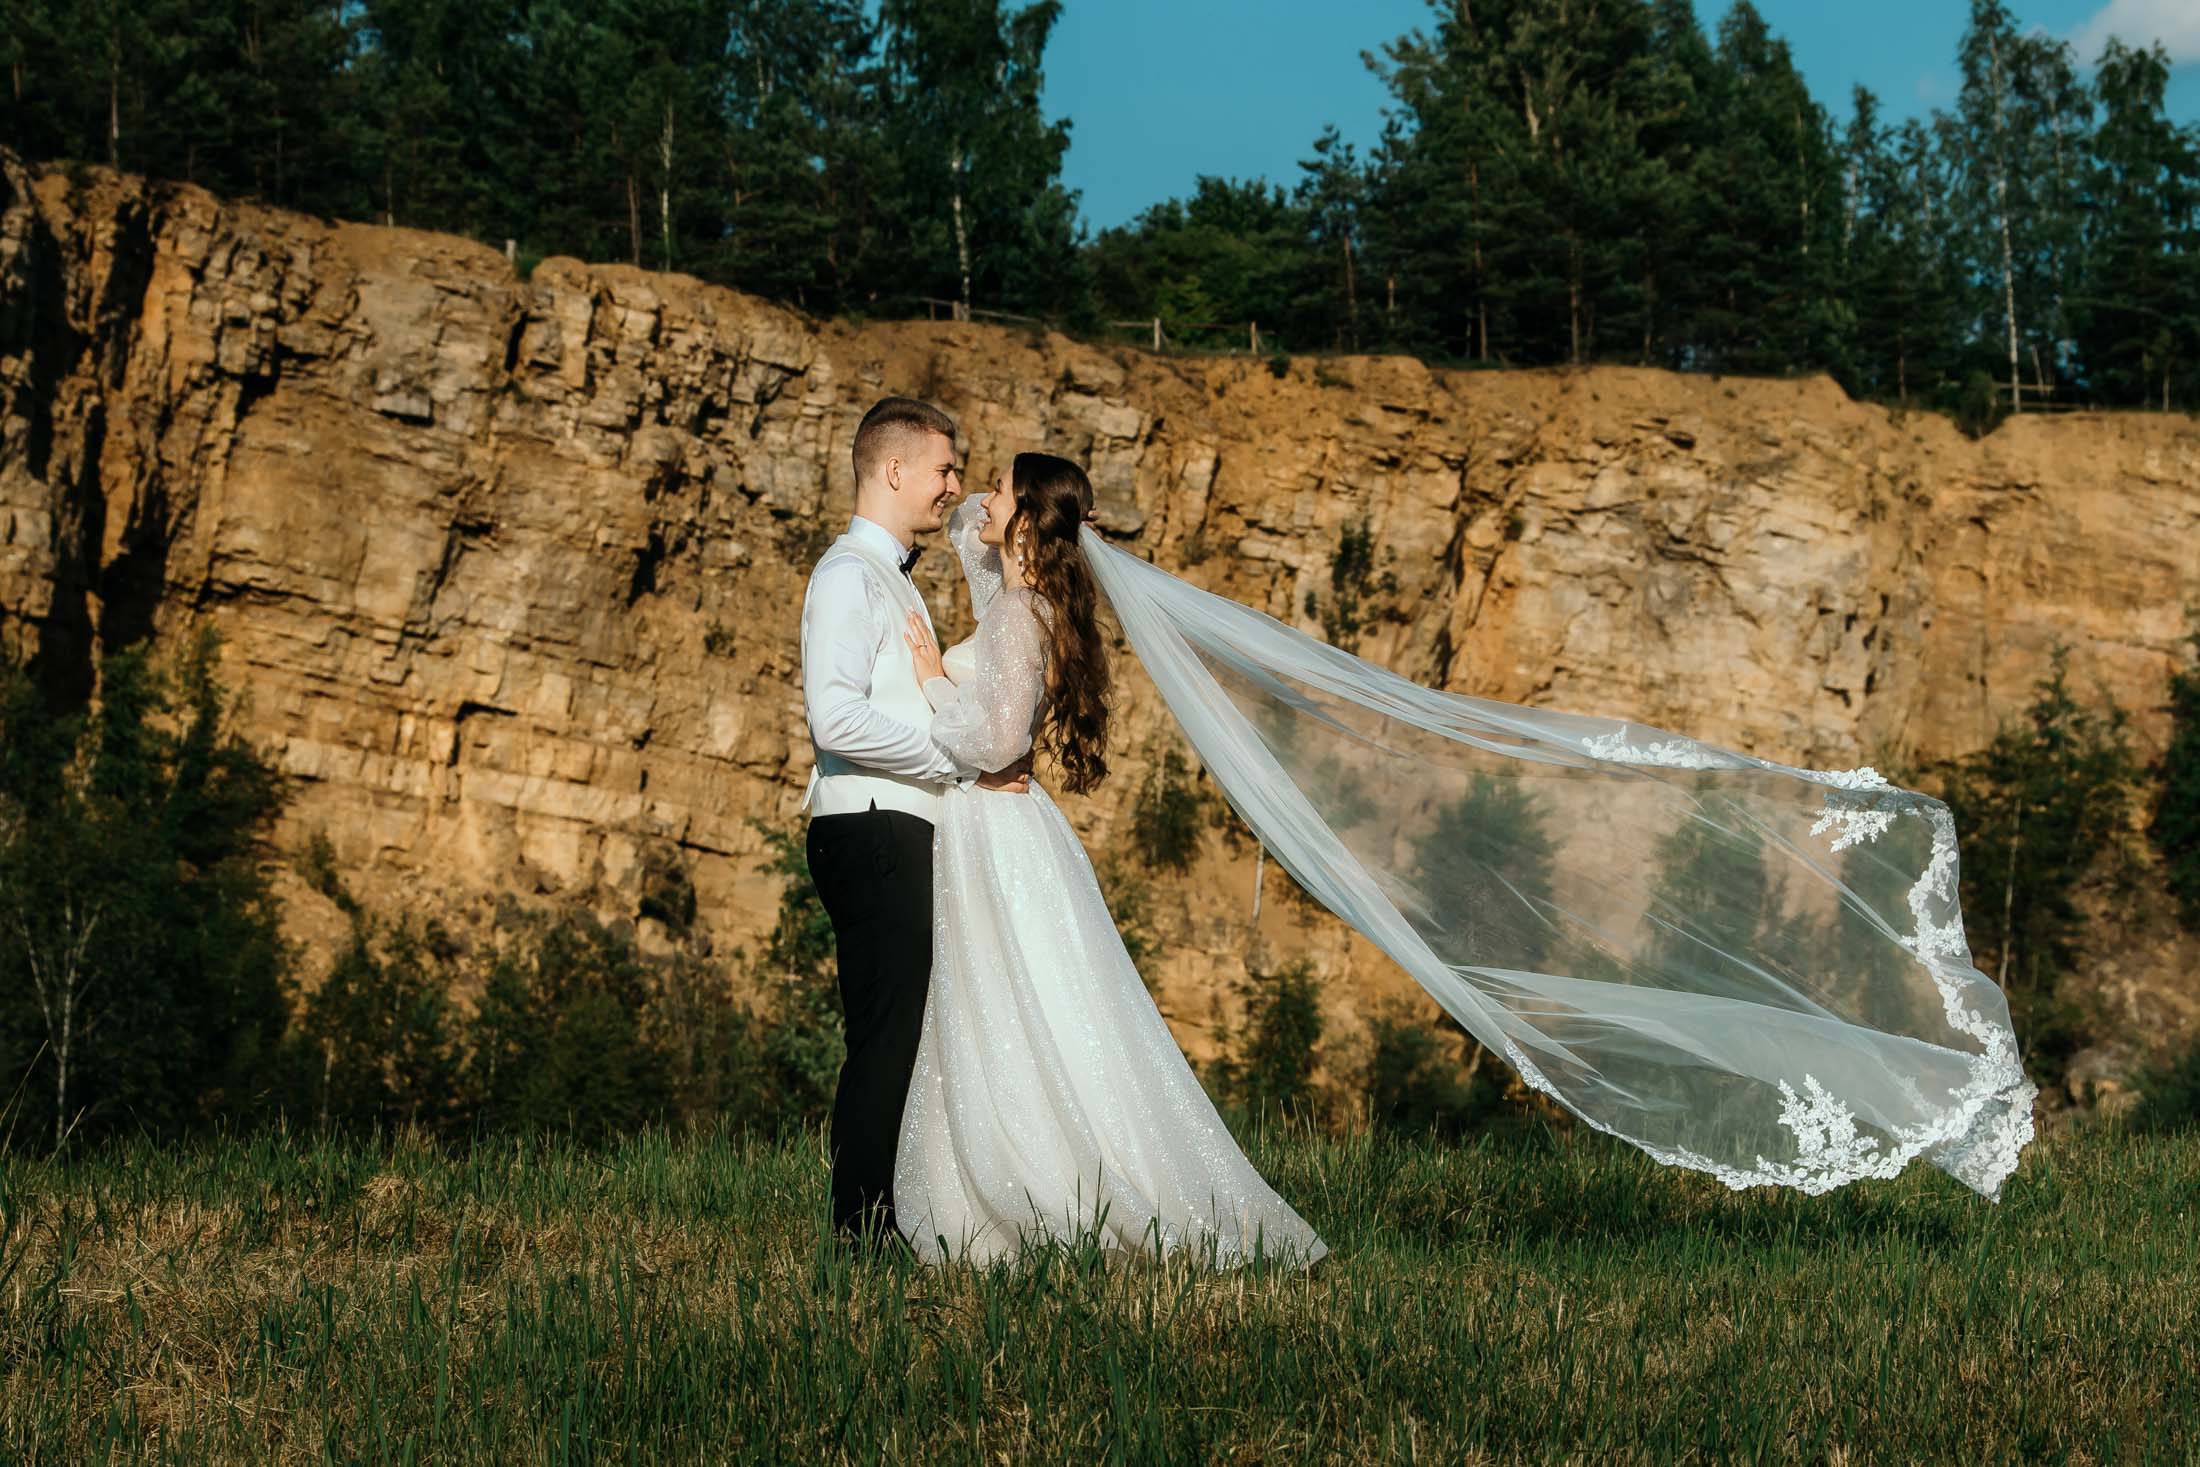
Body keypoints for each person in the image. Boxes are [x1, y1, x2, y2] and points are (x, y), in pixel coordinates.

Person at [893, 452, 1329, 1268]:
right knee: (1028, 1002)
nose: (980, 496)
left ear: (1027, 520)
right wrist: (1005, 510)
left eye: (998, 487)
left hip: (993, 820)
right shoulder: (1028, 603)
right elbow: (967, 534)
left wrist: (931, 683)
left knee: (1005, 1000)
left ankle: (1036, 1188)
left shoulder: (1018, 614)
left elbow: (996, 739)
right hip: (1009, 825)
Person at [796, 396, 1028, 1251]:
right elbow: (834, 717)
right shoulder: (847, 577)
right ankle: (861, 1234)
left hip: (898, 827)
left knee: (905, 1035)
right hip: (874, 828)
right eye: (944, 468)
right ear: (894, 470)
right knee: (887, 1037)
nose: (954, 486)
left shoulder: (892, 578)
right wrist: (951, 760)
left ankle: (889, 1219)